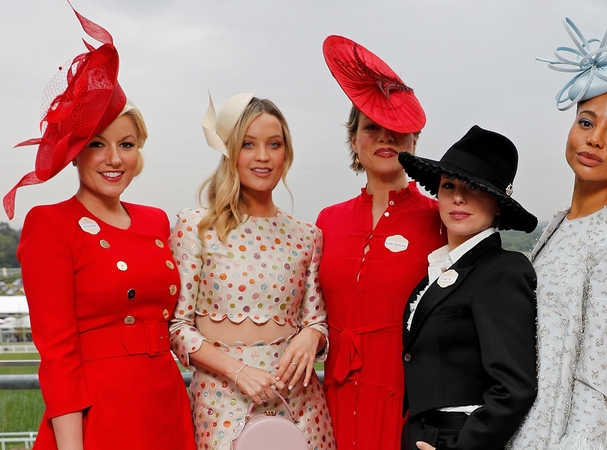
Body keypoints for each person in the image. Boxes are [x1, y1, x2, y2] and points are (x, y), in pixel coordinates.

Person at [7, 7, 194, 449]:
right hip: (101, 415)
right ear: (74, 153)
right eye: (97, 145)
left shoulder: (155, 220)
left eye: (126, 145)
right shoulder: (51, 224)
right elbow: (57, 354)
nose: (114, 159)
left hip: (166, 403)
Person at [508, 12, 607, 449]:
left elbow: (599, 381)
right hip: (521, 426)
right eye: (586, 122)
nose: (594, 139)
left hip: (559, 438)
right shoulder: (557, 223)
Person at [169, 93, 334, 450]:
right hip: (222, 403)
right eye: (248, 144)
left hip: (301, 405)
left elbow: (317, 321)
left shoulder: (307, 236)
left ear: (285, 154)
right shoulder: (195, 227)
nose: (262, 156)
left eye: (273, 144)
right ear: (230, 153)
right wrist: (238, 371)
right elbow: (177, 329)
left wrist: (311, 336)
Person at [317, 35, 447, 450]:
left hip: (405, 396)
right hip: (334, 395)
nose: (384, 138)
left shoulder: (439, 218)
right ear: (354, 140)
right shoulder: (328, 221)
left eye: (395, 131)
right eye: (371, 128)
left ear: (413, 141)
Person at [398, 125, 539, 450]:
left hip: (459, 439)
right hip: (421, 434)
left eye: (474, 188)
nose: (458, 197)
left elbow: (514, 387)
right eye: (449, 186)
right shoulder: (438, 270)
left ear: (499, 204)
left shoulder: (504, 270)